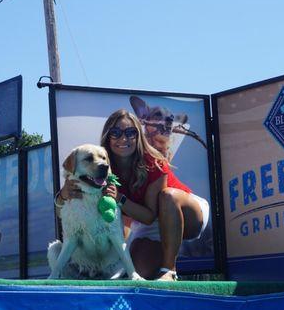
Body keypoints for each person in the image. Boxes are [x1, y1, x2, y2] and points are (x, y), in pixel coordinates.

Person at [56, 109, 210, 281]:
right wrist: (62, 196)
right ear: (108, 137)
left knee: (168, 196)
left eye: (130, 133)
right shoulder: (98, 167)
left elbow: (149, 216)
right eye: (116, 133)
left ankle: (169, 270)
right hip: (150, 226)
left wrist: (119, 198)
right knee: (137, 274)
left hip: (182, 212)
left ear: (138, 136)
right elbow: (67, 213)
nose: (123, 139)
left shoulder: (154, 161)